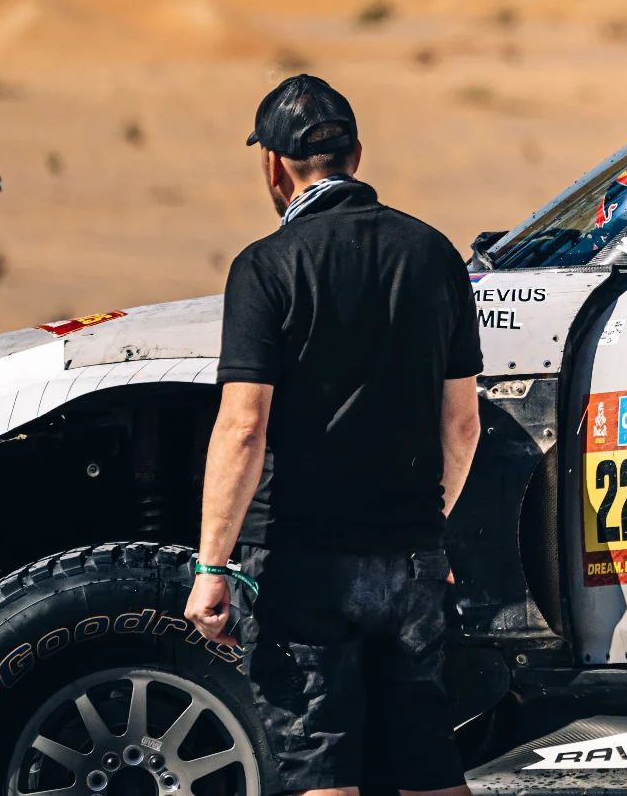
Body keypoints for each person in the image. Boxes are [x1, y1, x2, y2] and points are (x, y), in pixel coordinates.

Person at [183, 76, 483, 796]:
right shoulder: (433, 253)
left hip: (303, 565)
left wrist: (210, 568)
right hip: (409, 558)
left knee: (320, 766)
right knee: (427, 761)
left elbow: (243, 427)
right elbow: (463, 424)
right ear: (356, 153)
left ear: (273, 166)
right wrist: (429, 535)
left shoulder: (265, 267)